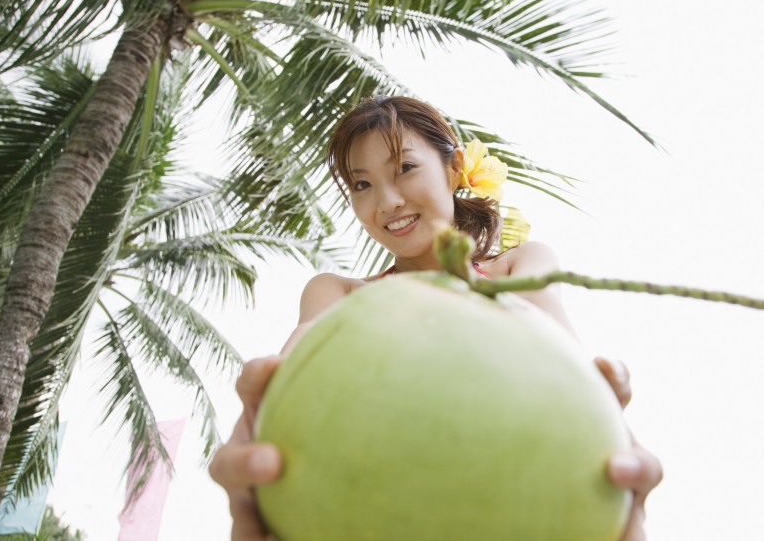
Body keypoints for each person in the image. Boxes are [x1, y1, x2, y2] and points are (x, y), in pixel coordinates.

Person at [209, 96, 663, 540]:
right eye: (362, 185)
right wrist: (255, 426)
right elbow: (287, 378)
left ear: (453, 167)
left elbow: (571, 372)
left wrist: (610, 458)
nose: (386, 202)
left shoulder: (519, 265)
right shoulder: (338, 292)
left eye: (404, 168)